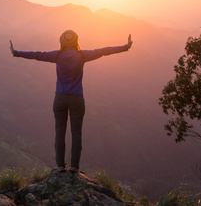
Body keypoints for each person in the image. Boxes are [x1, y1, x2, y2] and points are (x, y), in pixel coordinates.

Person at [10, 30, 133, 173]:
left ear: (61, 41)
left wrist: (16, 52)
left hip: (60, 98)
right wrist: (125, 47)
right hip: (77, 99)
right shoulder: (82, 55)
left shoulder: (57, 55)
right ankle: (74, 166)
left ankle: (60, 166)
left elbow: (36, 55)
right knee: (76, 133)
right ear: (76, 41)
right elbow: (104, 51)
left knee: (59, 132)